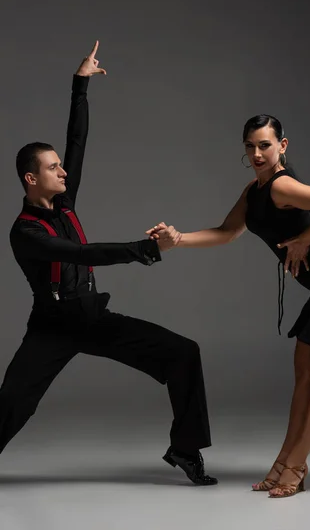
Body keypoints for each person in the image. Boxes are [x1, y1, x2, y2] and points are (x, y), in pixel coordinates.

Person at [5, 41, 217, 486]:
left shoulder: (65, 204)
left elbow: (77, 142)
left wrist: (79, 85)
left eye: (61, 167)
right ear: (31, 178)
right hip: (53, 325)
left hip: (92, 315)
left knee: (183, 353)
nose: (63, 172)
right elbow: (81, 254)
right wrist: (143, 249)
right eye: (53, 168)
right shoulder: (26, 231)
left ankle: (184, 448)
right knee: (14, 404)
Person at [147, 113, 310, 498]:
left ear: (282, 146)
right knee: (303, 379)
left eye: (265, 145)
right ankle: (284, 461)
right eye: (250, 146)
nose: (257, 153)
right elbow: (226, 233)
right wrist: (178, 240)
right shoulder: (253, 191)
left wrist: (303, 240)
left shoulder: (282, 186)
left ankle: (295, 466)